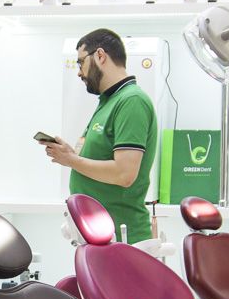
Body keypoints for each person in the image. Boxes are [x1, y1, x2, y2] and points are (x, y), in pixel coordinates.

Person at [38, 28, 158, 244]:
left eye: (80, 62)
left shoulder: (132, 101)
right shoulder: (109, 101)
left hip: (122, 238)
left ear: (100, 56)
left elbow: (124, 174)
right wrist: (72, 155)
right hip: (100, 235)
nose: (79, 72)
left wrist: (72, 160)